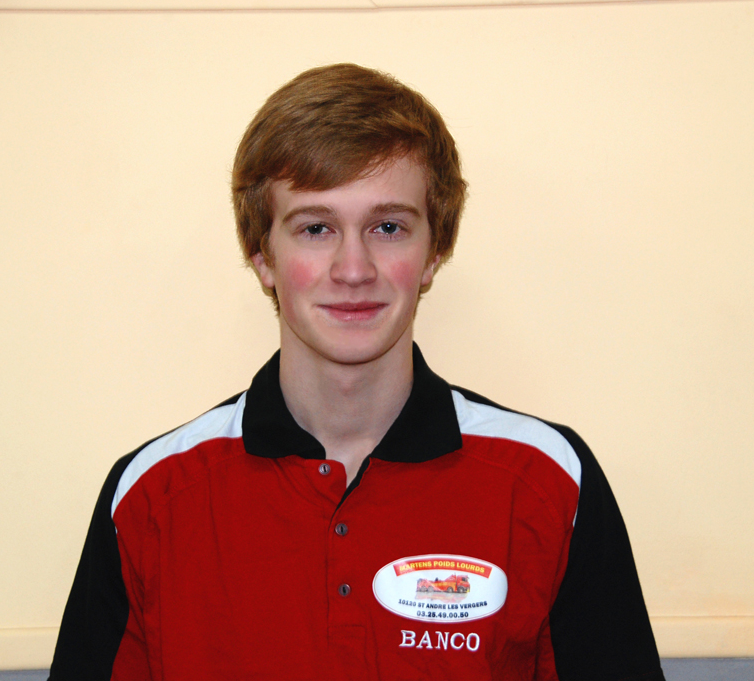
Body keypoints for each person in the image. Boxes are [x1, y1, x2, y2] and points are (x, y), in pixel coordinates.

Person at [49, 63, 664, 681]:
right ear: (262, 256)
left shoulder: (547, 482)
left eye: (388, 227)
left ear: (434, 251)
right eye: (316, 228)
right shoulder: (151, 498)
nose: (353, 269)